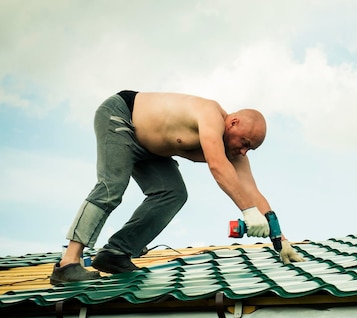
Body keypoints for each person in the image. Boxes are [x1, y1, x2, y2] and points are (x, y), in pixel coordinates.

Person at [51, 90, 304, 284]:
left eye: (251, 149)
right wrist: (248, 212)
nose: (244, 150)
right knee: (112, 186)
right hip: (121, 116)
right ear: (234, 122)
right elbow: (217, 167)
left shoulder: (236, 153)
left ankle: (116, 253)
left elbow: (252, 191)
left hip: (151, 149)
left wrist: (279, 239)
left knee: (173, 193)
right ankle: (68, 263)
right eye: (245, 143)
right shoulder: (210, 116)